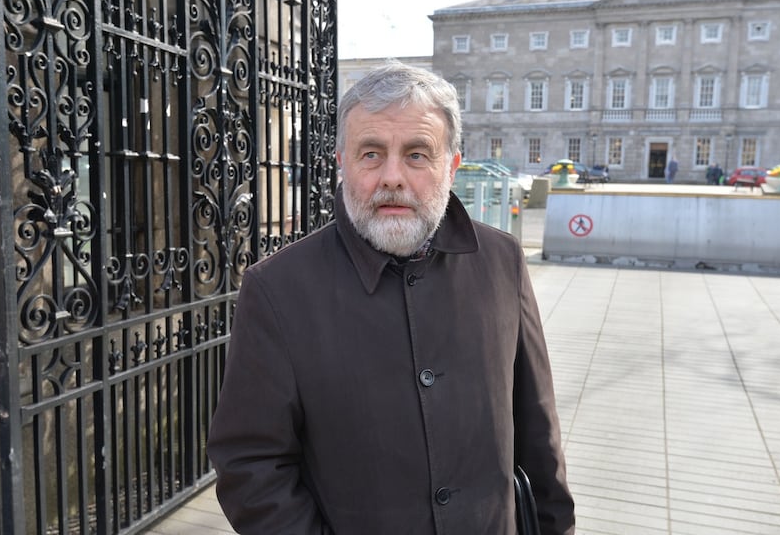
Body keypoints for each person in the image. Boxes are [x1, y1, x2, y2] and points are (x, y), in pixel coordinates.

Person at [206, 60, 576, 534]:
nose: (392, 177)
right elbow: (251, 465)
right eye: (371, 153)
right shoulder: (277, 289)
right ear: (342, 162)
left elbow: (538, 432)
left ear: (452, 166)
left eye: (418, 154)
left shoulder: (502, 261)